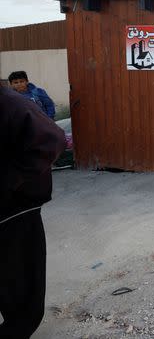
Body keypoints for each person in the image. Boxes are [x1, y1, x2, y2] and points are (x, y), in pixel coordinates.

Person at [0, 85, 67, 338]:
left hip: (15, 212)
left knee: (24, 298)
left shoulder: (10, 103)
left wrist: (10, 181)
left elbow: (52, 138)